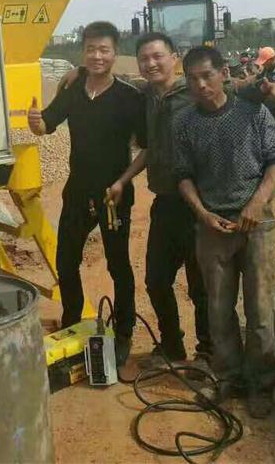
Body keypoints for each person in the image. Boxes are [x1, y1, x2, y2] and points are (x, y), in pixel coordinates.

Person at [174, 46, 275, 418]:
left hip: (257, 222)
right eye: (192, 79)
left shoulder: (253, 112)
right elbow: (182, 175)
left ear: (224, 73)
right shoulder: (184, 122)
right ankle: (227, 377)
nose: (200, 85)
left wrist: (256, 204)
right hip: (213, 225)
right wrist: (203, 214)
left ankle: (259, 382)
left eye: (206, 75)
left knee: (260, 309)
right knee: (219, 307)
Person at [28, 21, 147, 365]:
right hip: (77, 192)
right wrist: (35, 122)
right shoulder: (74, 89)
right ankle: (71, 322)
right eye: (91, 49)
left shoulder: (129, 98)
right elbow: (47, 123)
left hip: (113, 196)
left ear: (115, 53)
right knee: (66, 261)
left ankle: (123, 332)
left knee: (118, 265)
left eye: (104, 50)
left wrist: (123, 181)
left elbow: (147, 148)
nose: (97, 56)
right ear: (83, 53)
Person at [91, 33, 212, 365]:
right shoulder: (144, 97)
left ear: (174, 58)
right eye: (144, 58)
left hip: (200, 204)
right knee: (156, 280)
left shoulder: (195, 93)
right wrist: (123, 180)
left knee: (200, 284)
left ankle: (208, 352)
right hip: (166, 202)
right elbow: (148, 148)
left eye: (158, 56)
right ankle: (172, 346)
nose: (151, 63)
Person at [237, 46, 275, 167]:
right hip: (267, 108)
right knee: (266, 136)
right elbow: (257, 78)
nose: (263, 65)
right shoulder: (268, 69)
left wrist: (270, 87)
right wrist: (244, 82)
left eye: (265, 62)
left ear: (272, 59)